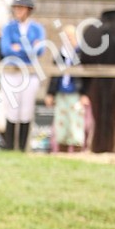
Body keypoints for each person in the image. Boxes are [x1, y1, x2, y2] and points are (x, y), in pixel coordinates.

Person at [0, 0, 47, 151]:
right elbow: (6, 49)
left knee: (26, 110)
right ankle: (9, 147)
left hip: (30, 73)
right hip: (11, 73)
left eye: (21, 7)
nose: (18, 10)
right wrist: (27, 48)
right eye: (16, 7)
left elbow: (39, 50)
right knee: (11, 110)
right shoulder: (8, 28)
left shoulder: (37, 28)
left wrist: (18, 47)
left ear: (29, 10)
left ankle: (22, 148)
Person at [46, 25, 90, 153]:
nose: (69, 39)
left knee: (76, 123)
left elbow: (86, 77)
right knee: (61, 124)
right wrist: (50, 93)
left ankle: (76, 151)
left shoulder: (81, 55)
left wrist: (85, 94)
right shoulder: (60, 55)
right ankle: (62, 151)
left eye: (71, 36)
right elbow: (54, 76)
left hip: (76, 93)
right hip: (61, 93)